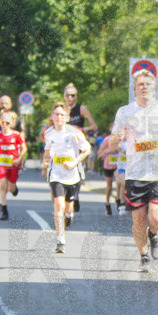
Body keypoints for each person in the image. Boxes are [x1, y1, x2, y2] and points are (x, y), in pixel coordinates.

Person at [112, 70, 158, 273]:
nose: (144, 87)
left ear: (154, 87)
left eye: (148, 84)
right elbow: (114, 139)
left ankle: (155, 235)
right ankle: (144, 256)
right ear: (134, 89)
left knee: (157, 219)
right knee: (139, 220)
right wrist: (119, 137)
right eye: (140, 84)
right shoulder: (124, 112)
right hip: (135, 173)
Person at [42, 102, 91, 253]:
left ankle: (69, 215)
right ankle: (60, 240)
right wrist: (45, 162)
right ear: (52, 116)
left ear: (67, 117)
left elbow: (87, 149)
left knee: (68, 206)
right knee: (58, 205)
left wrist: (74, 162)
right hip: (56, 173)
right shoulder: (48, 133)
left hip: (73, 175)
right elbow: (48, 151)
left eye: (62, 115)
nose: (59, 117)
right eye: (56, 114)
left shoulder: (74, 132)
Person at [61, 83, 98, 214]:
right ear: (64, 96)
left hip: (77, 143)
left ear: (76, 96)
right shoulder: (60, 109)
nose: (70, 98)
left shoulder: (81, 109)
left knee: (76, 170)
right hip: (63, 144)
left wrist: (82, 129)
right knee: (63, 171)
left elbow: (94, 126)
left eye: (73, 95)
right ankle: (65, 196)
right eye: (68, 95)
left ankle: (75, 195)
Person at [0, 112, 26, 220]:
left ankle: (14, 189)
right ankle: (4, 210)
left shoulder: (16, 135)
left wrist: (19, 158)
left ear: (12, 124)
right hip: (2, 165)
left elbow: (24, 148)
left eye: (7, 123)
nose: (4, 125)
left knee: (10, 188)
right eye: (2, 122)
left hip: (13, 166)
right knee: (2, 185)